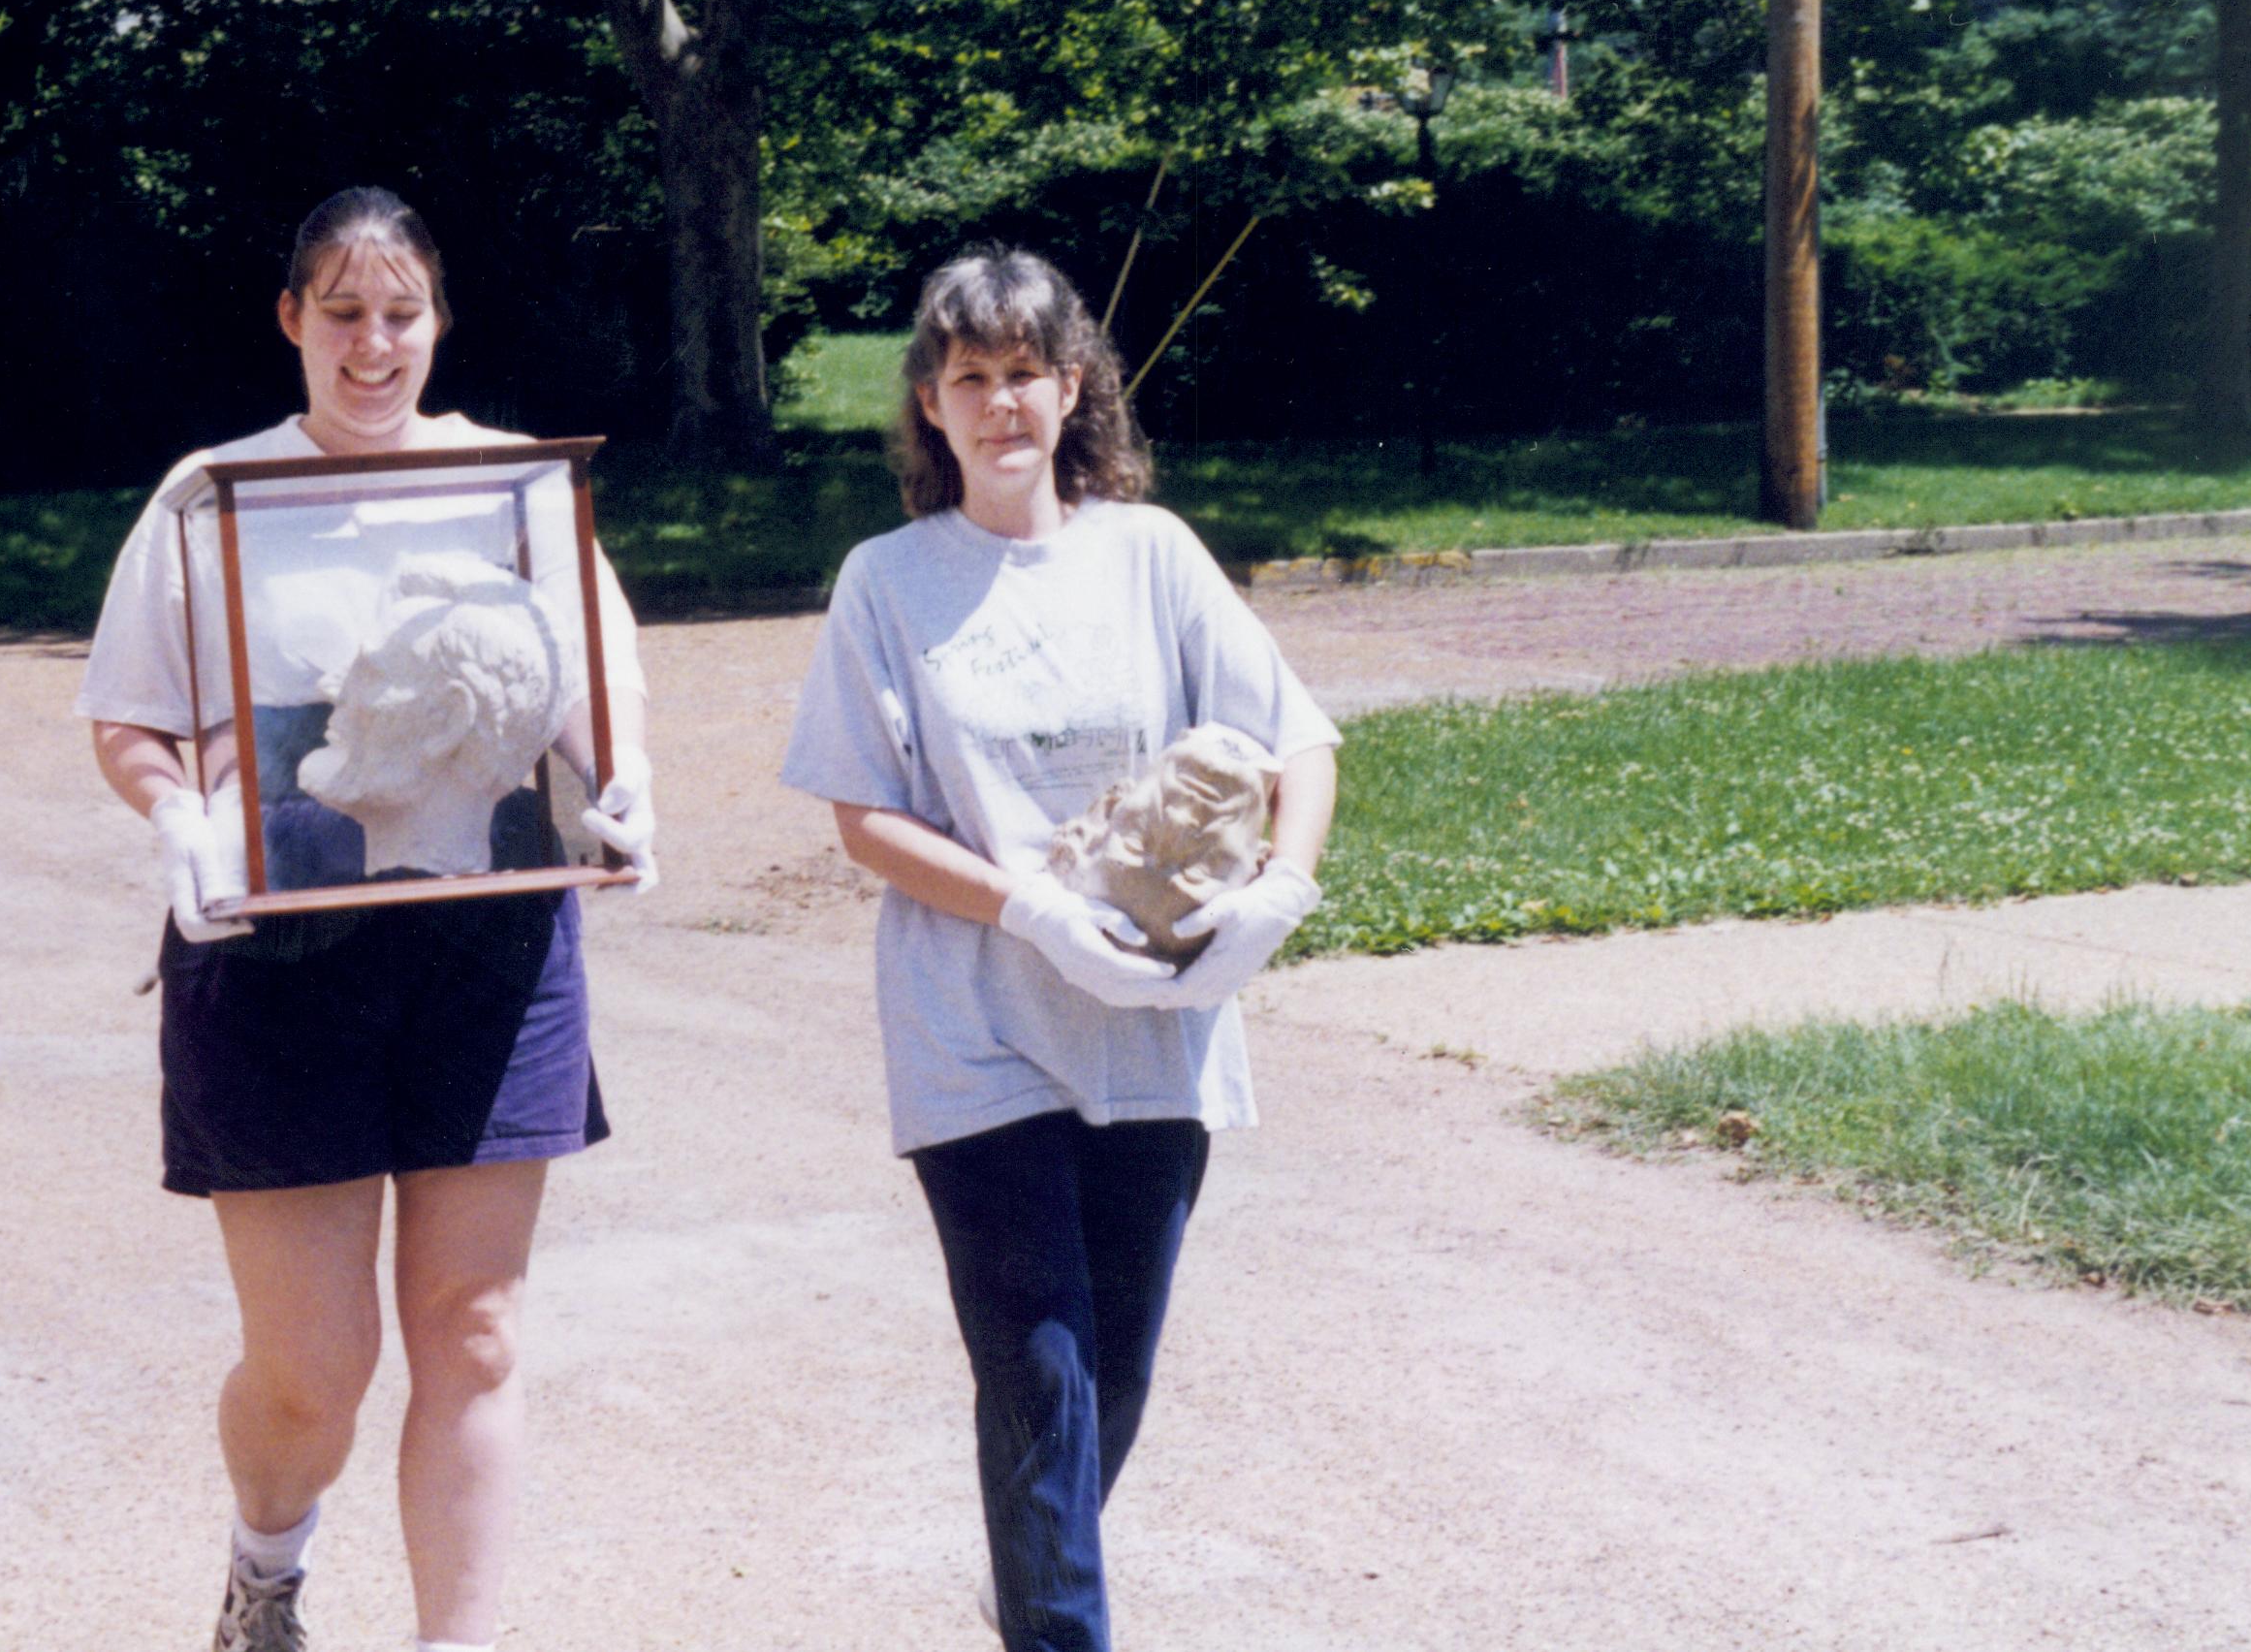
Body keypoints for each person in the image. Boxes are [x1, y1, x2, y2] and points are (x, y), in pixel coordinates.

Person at [78, 187, 655, 1652]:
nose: (372, 344)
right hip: (275, 962)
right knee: (310, 1369)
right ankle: (265, 1564)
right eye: (341, 311)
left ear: (437, 322)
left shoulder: (515, 483)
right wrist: (177, 815)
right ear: (291, 319)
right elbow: (130, 716)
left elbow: (593, 684)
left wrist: (621, 791)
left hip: (490, 950)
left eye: (400, 312)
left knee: (472, 1328)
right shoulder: (209, 493)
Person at [779, 245, 1338, 1652]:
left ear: (1071, 384)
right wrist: (1029, 907)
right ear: (927, 403)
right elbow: (862, 815)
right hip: (974, 1021)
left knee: (1115, 1373)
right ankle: (1059, 1621)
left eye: (1023, 371)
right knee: (1035, 1364)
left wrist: (1278, 888)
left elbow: (1300, 739)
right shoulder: (888, 582)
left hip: (1152, 1020)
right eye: (967, 377)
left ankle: (1037, 1569)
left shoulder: (1148, 553)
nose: (999, 402)